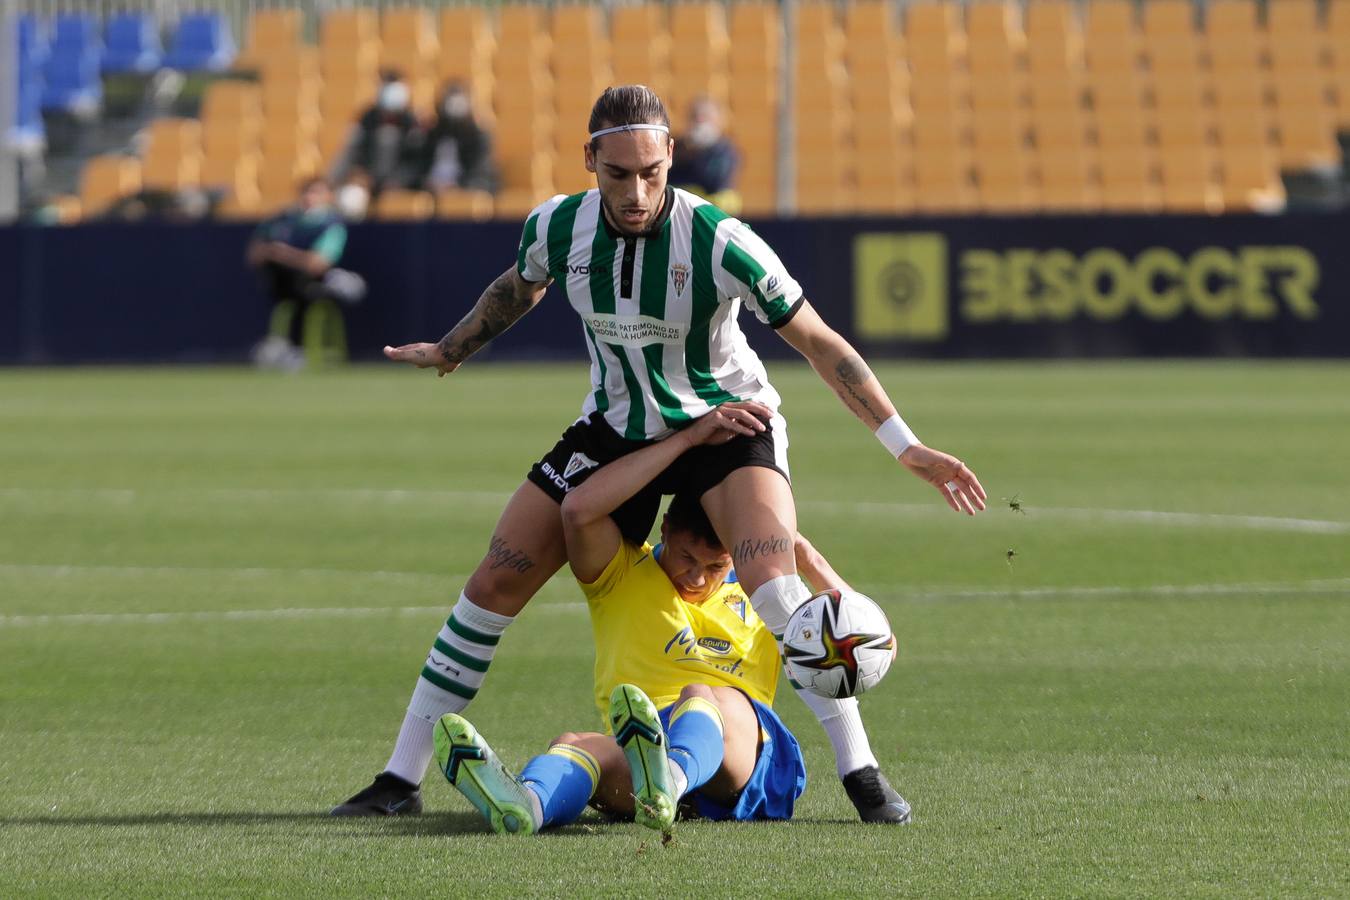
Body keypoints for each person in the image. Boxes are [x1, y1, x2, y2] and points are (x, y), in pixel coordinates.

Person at [334, 85, 986, 822]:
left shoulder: (721, 240)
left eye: (652, 171)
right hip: (616, 428)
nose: (639, 191)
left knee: (774, 586)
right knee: (493, 583)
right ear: (591, 161)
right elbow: (520, 288)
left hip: (726, 423)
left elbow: (820, 342)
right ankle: (399, 780)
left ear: (671, 155)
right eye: (619, 175)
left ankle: (862, 774)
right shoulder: (555, 226)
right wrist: (453, 348)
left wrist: (904, 445)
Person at [435, 401, 818, 834]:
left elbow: (870, 644)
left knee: (705, 693)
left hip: (742, 761)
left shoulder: (763, 588)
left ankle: (668, 780)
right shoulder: (622, 572)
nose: (696, 577)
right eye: (686, 557)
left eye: (714, 566)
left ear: (733, 550)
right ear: (665, 528)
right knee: (574, 746)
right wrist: (687, 439)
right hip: (645, 748)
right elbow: (578, 510)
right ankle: (528, 804)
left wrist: (806, 557)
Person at [246, 177, 362, 370]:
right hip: (280, 284)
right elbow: (255, 253)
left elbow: (318, 264)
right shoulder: (281, 220)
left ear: (327, 197)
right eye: (307, 192)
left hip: (310, 285)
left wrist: (283, 254)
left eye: (316, 192)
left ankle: (294, 350)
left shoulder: (331, 226)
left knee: (305, 290)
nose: (310, 197)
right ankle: (283, 347)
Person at [419, 82, 499, 194]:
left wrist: (457, 185)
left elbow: (480, 170)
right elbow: (420, 164)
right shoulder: (433, 134)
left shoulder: (478, 136)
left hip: (464, 188)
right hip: (432, 189)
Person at [668, 96, 740, 206]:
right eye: (695, 117)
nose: (700, 122)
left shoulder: (725, 151)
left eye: (705, 117)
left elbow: (715, 183)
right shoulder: (677, 147)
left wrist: (699, 154)